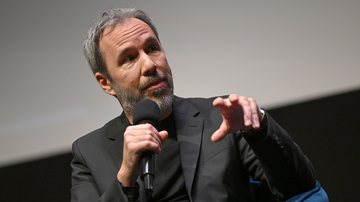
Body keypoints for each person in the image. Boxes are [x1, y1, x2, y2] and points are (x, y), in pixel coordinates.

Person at [71, 8, 317, 202]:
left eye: (152, 48)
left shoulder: (220, 117)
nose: (149, 65)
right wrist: (125, 177)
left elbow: (298, 188)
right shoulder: (90, 153)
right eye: (129, 58)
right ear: (106, 83)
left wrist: (259, 129)